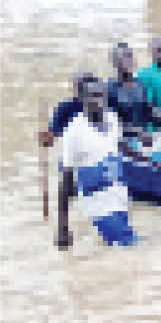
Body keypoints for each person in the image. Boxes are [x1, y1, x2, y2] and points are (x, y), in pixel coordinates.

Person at [55, 77, 137, 248]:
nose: (97, 101)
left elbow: (120, 144)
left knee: (122, 245)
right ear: (82, 99)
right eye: (92, 96)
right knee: (127, 245)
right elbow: (66, 180)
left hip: (118, 194)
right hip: (96, 201)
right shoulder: (74, 132)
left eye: (101, 96)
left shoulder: (113, 119)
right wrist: (63, 227)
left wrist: (153, 162)